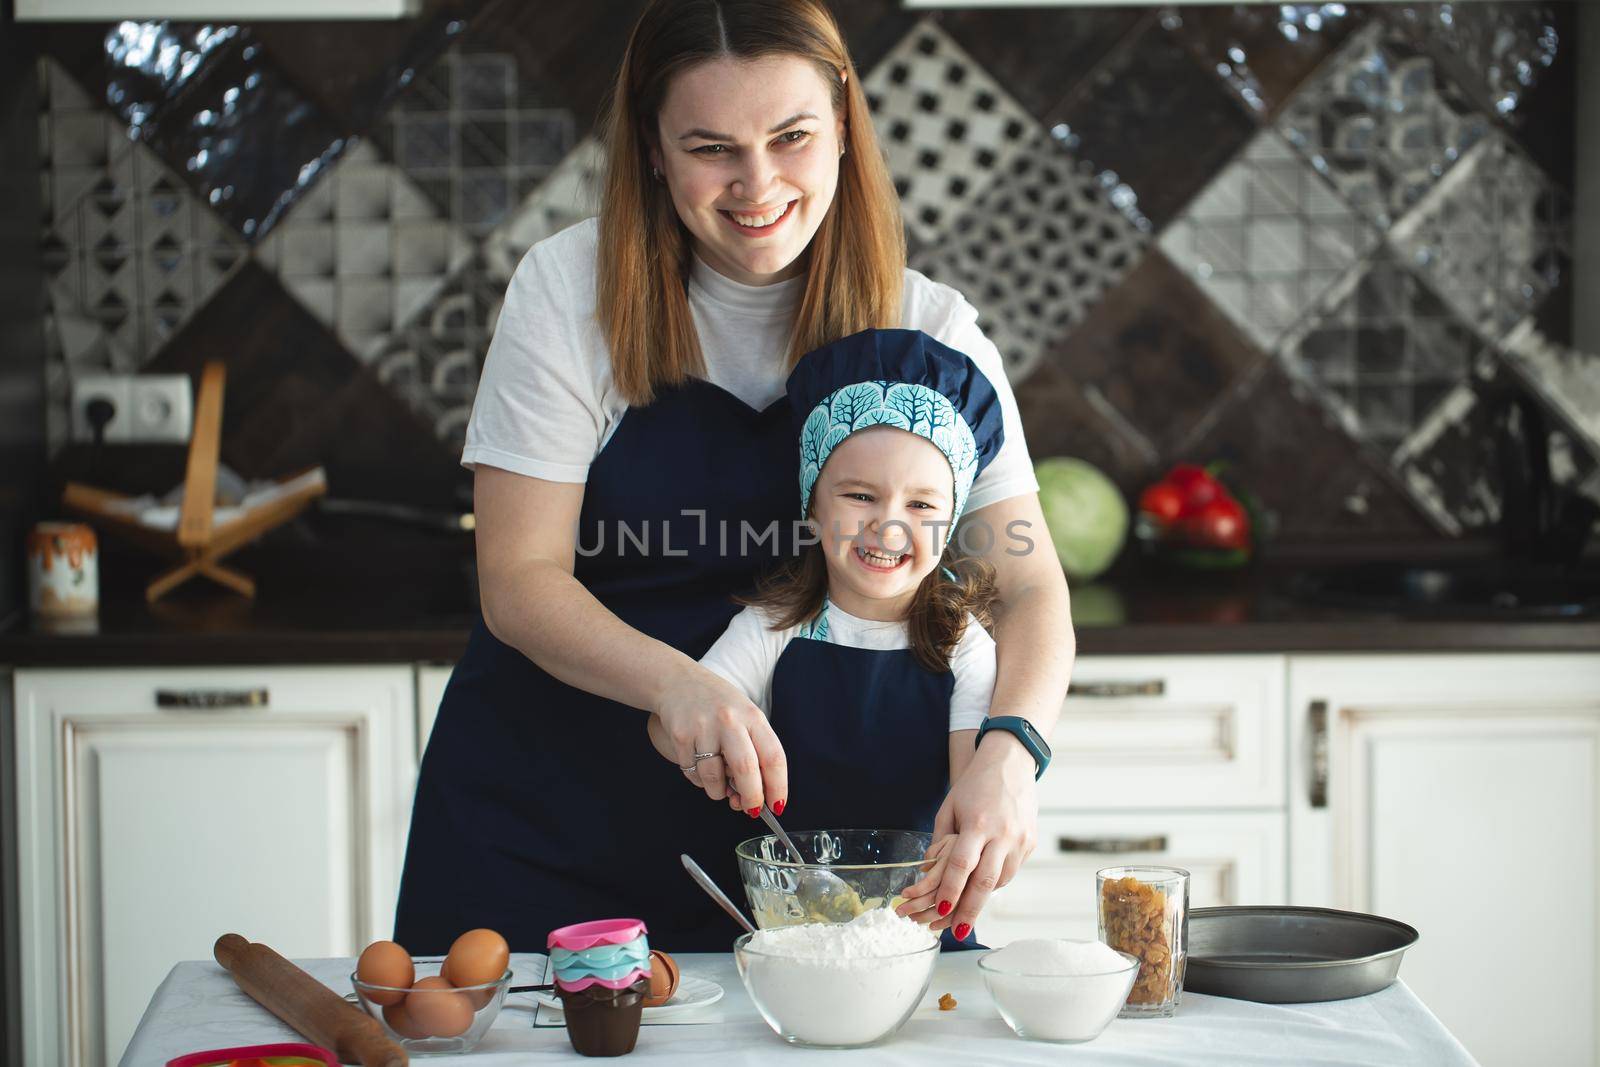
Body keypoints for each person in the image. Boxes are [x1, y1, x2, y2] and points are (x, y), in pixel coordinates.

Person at [394, 0, 1074, 955]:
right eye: (712, 147)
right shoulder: (567, 293)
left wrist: (1010, 753)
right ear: (655, 149)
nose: (758, 184)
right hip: (549, 829)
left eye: (791, 136)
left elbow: (1031, 580)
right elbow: (518, 581)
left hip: (831, 858)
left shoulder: (931, 333)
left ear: (843, 125)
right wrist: (683, 685)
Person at [647, 327, 1004, 946]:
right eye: (860, 495)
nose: (889, 524)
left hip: (915, 930)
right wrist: (707, 741)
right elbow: (671, 723)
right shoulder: (771, 627)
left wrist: (950, 877)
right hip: (788, 927)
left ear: (952, 520)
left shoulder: (963, 646)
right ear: (813, 505)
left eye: (922, 505)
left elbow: (967, 798)